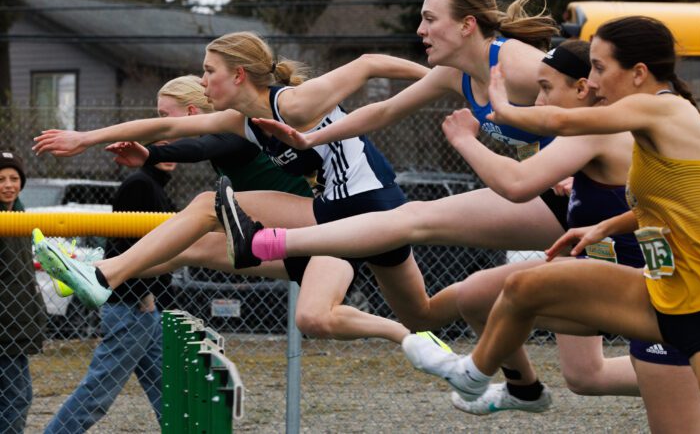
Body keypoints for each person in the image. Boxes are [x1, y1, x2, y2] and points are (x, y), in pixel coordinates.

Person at [223, 40, 700, 430]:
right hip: (618, 271)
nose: (422, 31)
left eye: (599, 71)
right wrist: (604, 220)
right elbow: (641, 198)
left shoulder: (616, 124)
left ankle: (475, 372)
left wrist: (473, 129)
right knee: (518, 322)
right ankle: (520, 388)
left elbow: (522, 178)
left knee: (519, 287)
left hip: (670, 291)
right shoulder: (600, 130)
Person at [412, 16, 700, 433]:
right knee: (524, 288)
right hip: (662, 294)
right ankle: (474, 373)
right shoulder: (648, 130)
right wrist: (606, 227)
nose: (593, 82)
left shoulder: (662, 109)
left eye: (599, 68)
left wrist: (502, 108)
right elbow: (678, 207)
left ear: (638, 73)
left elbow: (565, 123)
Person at [31, 37, 430, 345]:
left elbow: (369, 63)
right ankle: (92, 268)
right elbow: (167, 128)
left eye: (208, 71)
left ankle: (100, 272)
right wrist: (84, 137)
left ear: (238, 74)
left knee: (209, 206)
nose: (202, 81)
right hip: (336, 215)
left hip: (364, 206)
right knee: (422, 316)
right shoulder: (243, 121)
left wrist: (442, 79)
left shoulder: (292, 104)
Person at [44, 143, 177, 434]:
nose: (170, 156)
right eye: (163, 147)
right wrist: (143, 291)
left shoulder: (155, 186)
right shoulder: (140, 185)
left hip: (145, 309)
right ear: (149, 149)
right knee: (98, 393)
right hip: (133, 307)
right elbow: (124, 244)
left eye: (174, 148)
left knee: (169, 389)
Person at [0, 152, 47, 434]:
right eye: (1, 179)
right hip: (6, 327)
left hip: (15, 325)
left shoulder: (19, 215)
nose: (8, 184)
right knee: (18, 397)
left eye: (14, 178)